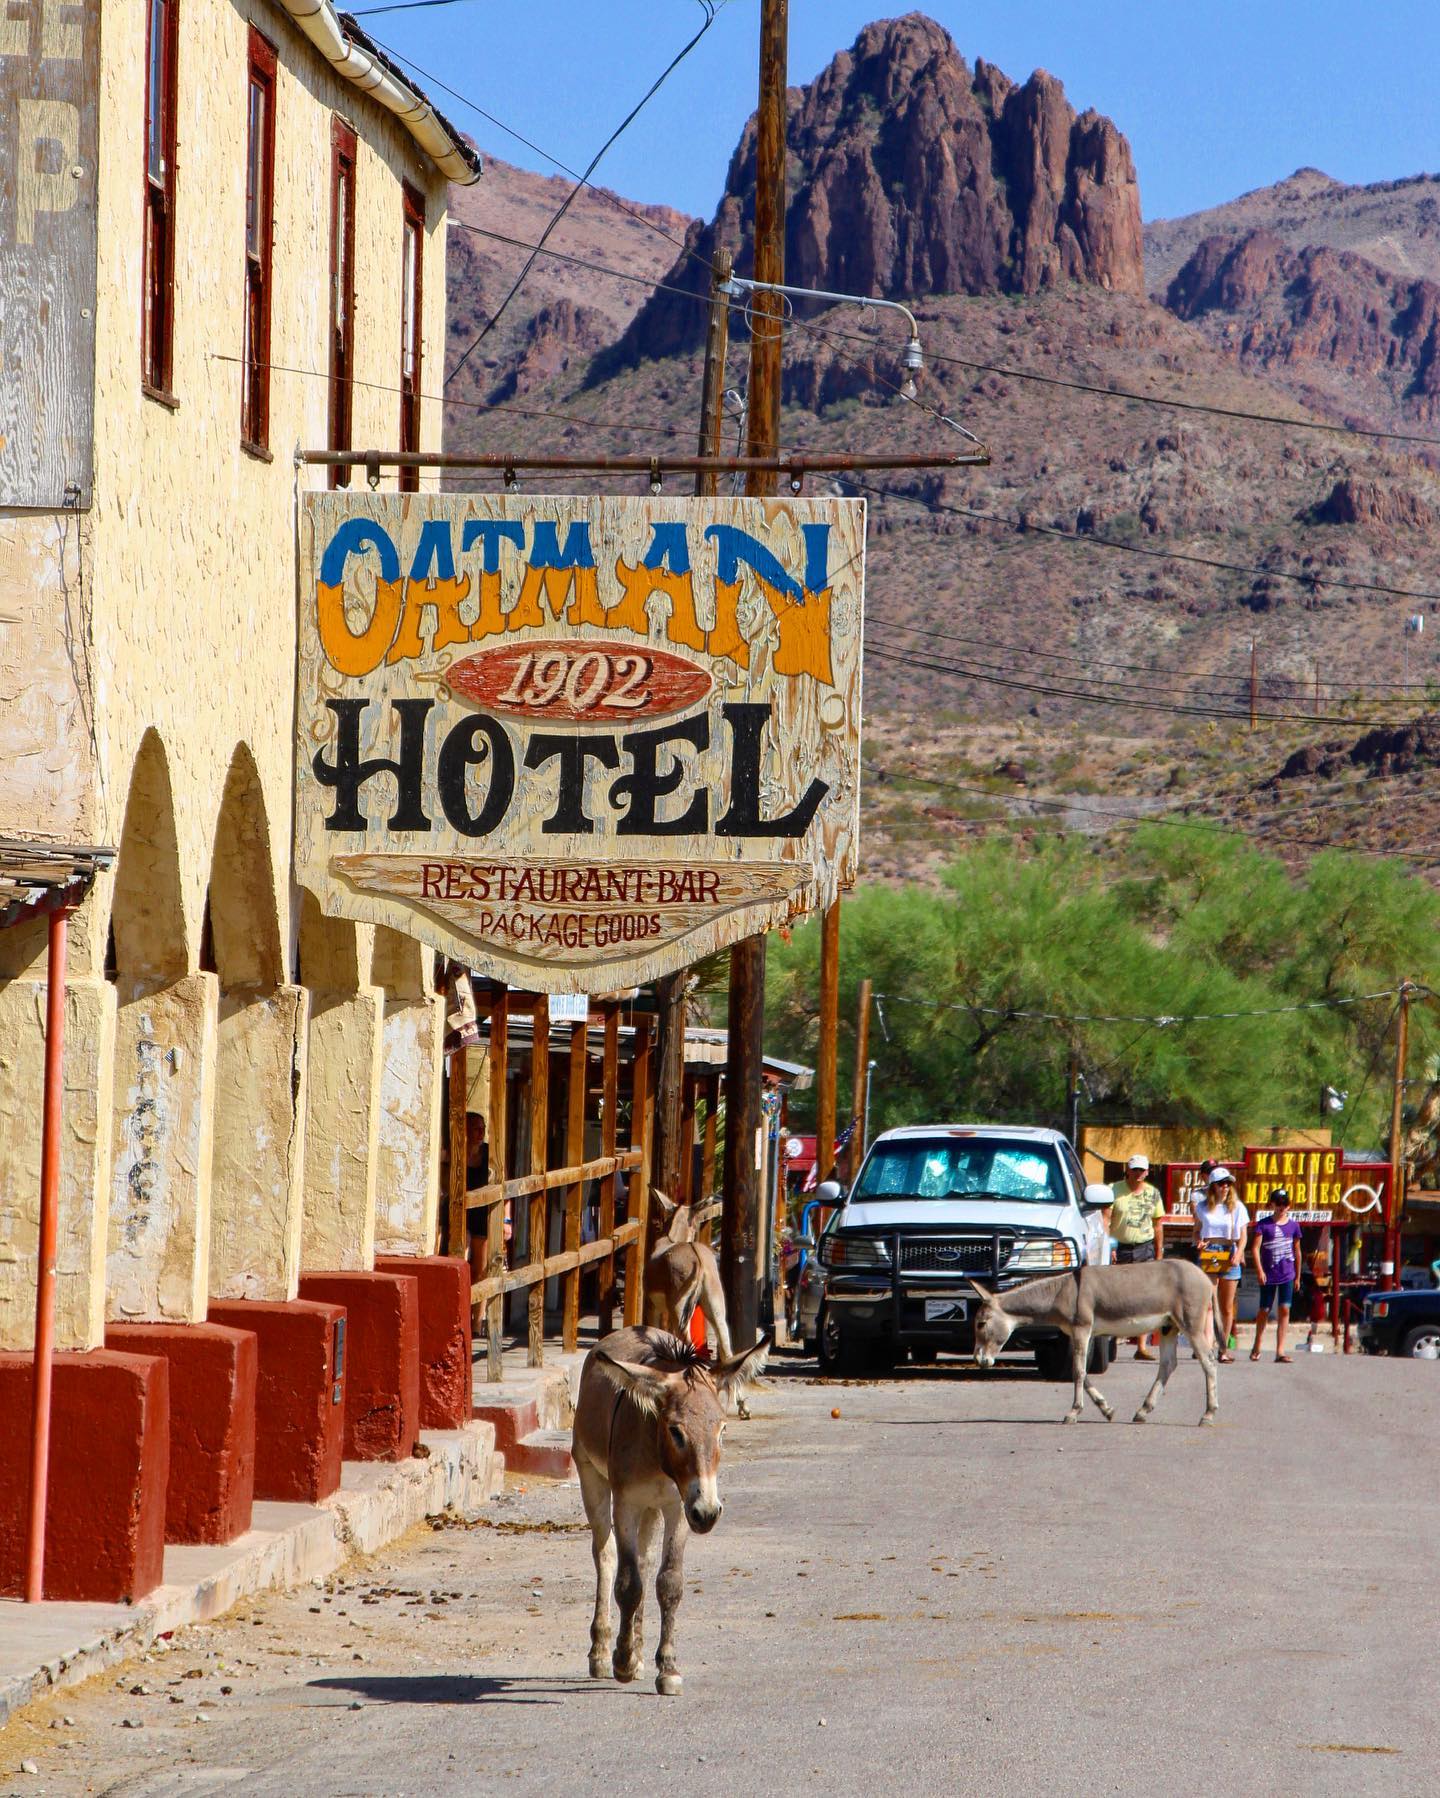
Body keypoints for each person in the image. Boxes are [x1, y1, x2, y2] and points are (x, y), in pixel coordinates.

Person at [1110, 1153, 1165, 1359]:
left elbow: (1158, 1225)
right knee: (1117, 1295)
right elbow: (1105, 1220)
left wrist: (1159, 1254)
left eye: (1142, 1170)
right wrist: (1109, 1247)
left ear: (1147, 1172)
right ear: (1128, 1170)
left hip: (1144, 1246)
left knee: (1145, 1296)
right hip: (1120, 1247)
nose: (1138, 1174)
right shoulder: (1113, 1190)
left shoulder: (1153, 1193)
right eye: (1135, 1169)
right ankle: (1112, 1342)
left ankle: (1141, 1346)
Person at [1192, 1165, 1248, 1363]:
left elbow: (1243, 1236)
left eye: (1228, 1183)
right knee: (1209, 1302)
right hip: (1211, 1251)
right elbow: (1197, 1230)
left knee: (1226, 1306)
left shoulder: (1237, 1207)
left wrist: (1239, 1253)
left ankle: (1223, 1348)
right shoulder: (1203, 1207)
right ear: (1213, 1186)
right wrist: (1198, 1240)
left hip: (1230, 1250)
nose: (1225, 1187)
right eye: (1221, 1184)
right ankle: (1207, 1345)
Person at [1251, 1186, 1303, 1363]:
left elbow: (1297, 1250)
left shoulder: (1293, 1226)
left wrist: (1298, 1275)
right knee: (1264, 1309)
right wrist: (1259, 1270)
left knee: (1284, 1308)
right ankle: (1258, 1342)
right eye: (1279, 1203)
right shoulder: (1263, 1225)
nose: (1282, 1207)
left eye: (1285, 1203)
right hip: (1269, 1273)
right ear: (1272, 1204)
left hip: (1287, 1273)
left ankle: (1280, 1350)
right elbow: (1255, 1248)